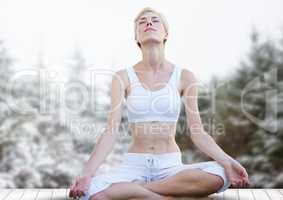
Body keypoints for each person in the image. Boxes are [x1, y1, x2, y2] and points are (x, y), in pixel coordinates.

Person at [69, 7, 250, 200]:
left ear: (166, 33)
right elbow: (110, 131)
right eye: (142, 22)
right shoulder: (122, 77)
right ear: (136, 38)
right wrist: (87, 173)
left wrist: (229, 163)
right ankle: (171, 196)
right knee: (86, 193)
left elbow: (198, 133)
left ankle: (136, 190)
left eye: (155, 20)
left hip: (170, 166)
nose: (148, 23)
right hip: (133, 166)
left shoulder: (185, 77)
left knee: (220, 174)